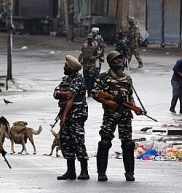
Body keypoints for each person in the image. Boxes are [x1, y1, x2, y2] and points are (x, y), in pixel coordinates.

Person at [92, 51, 142, 182]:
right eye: (115, 60)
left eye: (120, 59)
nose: (119, 61)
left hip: (125, 114)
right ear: (110, 62)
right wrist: (107, 101)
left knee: (128, 144)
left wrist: (135, 107)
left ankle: (129, 173)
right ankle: (101, 173)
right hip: (110, 114)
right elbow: (95, 93)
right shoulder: (103, 77)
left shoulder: (127, 78)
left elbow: (130, 96)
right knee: (104, 143)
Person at [53, 55, 89, 180]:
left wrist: (64, 116)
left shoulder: (78, 79)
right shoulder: (65, 80)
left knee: (78, 141)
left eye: (66, 66)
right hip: (67, 115)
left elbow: (71, 98)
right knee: (66, 141)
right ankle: (71, 171)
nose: (64, 67)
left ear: (72, 68)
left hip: (76, 115)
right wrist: (61, 93)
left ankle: (84, 170)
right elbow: (55, 93)